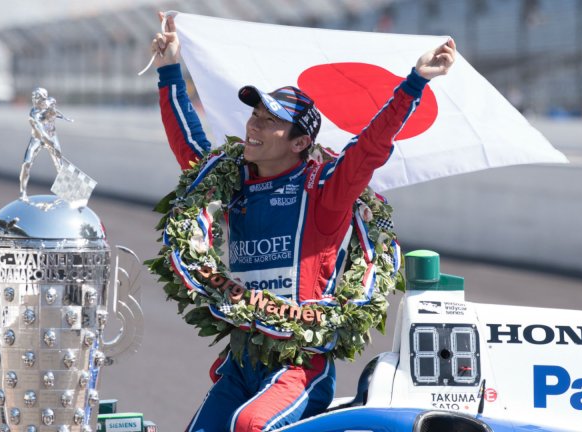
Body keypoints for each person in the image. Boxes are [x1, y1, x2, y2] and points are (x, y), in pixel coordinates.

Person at [150, 12, 455, 432]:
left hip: (299, 365)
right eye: (255, 114)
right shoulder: (233, 180)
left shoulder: (324, 191)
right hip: (242, 361)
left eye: (270, 120)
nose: (254, 125)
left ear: (300, 142)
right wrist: (169, 70)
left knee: (250, 425)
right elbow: (190, 146)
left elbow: (369, 148)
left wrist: (415, 83)